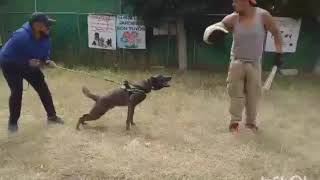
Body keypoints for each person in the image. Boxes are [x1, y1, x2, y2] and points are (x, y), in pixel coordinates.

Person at [205, 0, 282, 132]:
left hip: (254, 63)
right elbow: (214, 29)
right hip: (237, 62)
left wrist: (279, 54)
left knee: (253, 95)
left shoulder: (263, 16)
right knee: (235, 94)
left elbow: (276, 33)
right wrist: (212, 32)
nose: (233, 4)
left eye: (236, 1)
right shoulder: (232, 18)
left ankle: (251, 122)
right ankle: (234, 122)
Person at [0, 12, 64, 133]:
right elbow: (8, 56)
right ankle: (13, 124)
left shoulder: (45, 37)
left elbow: (43, 53)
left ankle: (52, 116)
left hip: (29, 64)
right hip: (10, 65)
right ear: (36, 25)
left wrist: (46, 61)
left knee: (42, 87)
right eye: (47, 24)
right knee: (16, 92)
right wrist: (28, 63)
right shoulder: (20, 36)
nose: (49, 27)